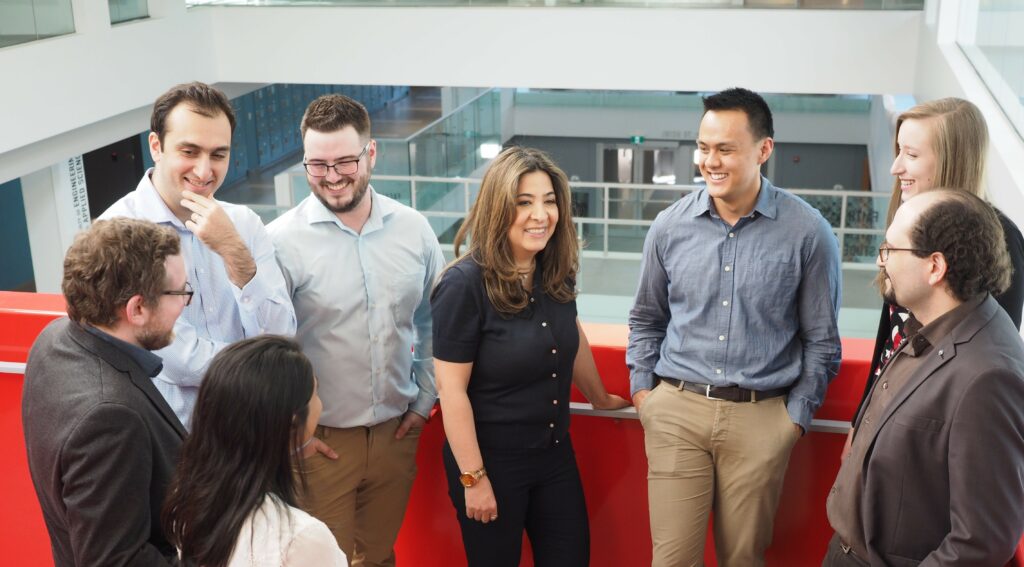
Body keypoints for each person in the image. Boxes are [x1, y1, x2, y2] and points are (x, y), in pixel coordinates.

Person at [627, 87, 843, 567]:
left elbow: (823, 341)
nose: (710, 161)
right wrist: (645, 393)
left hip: (761, 417)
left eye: (725, 149)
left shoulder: (808, 233)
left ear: (764, 150)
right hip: (676, 412)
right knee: (672, 560)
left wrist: (791, 421)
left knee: (743, 559)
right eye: (704, 148)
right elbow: (646, 318)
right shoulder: (668, 226)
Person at [430, 146, 630, 567]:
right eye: (524, 203)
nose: (541, 215)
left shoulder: (555, 269)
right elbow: (451, 390)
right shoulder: (462, 285)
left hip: (554, 456)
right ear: (497, 208)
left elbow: (569, 334)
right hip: (490, 464)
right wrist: (474, 479)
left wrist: (599, 397)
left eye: (549, 201)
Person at [267, 93, 443, 566]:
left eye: (345, 161)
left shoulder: (414, 230)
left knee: (381, 557)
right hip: (319, 444)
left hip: (395, 435)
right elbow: (268, 347)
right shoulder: (280, 242)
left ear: (371, 153)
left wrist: (425, 401)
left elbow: (434, 321)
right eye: (317, 165)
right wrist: (294, 432)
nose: (332, 177)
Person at [824, 189, 1024, 566]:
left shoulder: (989, 377)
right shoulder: (933, 323)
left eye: (891, 250)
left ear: (935, 267)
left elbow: (980, 542)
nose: (881, 262)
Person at [100, 81, 296, 430]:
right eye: (189, 151)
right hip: (171, 445)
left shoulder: (244, 224)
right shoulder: (116, 233)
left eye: (218, 154)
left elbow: (281, 335)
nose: (205, 172)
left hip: (252, 439)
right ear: (156, 146)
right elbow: (176, 358)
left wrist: (234, 252)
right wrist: (265, 372)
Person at [845, 97, 1024, 458]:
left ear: (950, 159)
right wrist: (859, 420)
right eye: (898, 151)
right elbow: (889, 336)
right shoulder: (906, 223)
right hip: (883, 420)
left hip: (930, 440)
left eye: (910, 154)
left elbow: (994, 353)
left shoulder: (1000, 239)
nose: (896, 167)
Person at [22, 218, 189, 566]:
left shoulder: (53, 338)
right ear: (137, 309)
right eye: (180, 292)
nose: (185, 303)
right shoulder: (111, 419)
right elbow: (115, 561)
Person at [162, 336, 348, 567]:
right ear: (292, 421)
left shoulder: (187, 498)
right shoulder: (301, 538)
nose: (321, 404)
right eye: (315, 393)